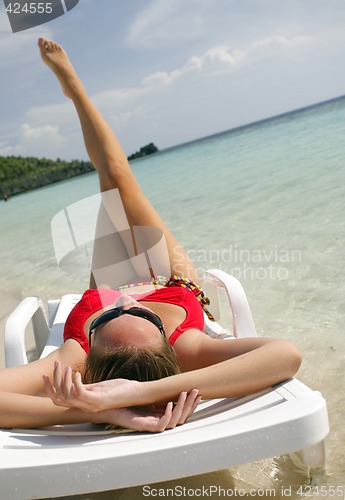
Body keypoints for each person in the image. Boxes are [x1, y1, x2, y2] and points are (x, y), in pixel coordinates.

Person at [0, 39, 302, 432]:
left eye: (110, 319)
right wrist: (144, 393)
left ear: (93, 362)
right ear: (166, 346)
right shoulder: (188, 349)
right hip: (173, 285)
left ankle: (73, 90)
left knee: (109, 183)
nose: (128, 297)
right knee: (121, 177)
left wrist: (95, 408)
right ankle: (74, 88)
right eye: (140, 313)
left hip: (101, 292)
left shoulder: (77, 358)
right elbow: (286, 354)